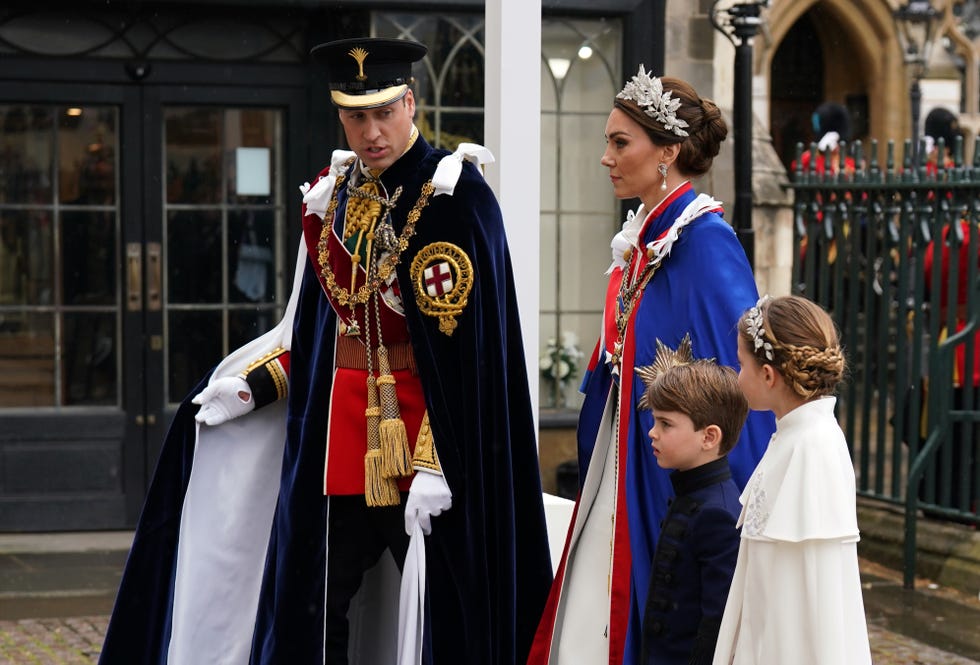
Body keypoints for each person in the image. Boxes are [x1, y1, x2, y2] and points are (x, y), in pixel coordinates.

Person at [99, 37, 553, 665]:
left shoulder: (457, 199)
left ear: (411, 102)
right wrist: (253, 388)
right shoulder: (334, 198)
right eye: (355, 116)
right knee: (313, 608)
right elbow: (316, 334)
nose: (371, 132)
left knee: (447, 608)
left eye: (384, 112)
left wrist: (436, 461)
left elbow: (472, 363)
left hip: (430, 447)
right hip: (340, 445)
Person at [527, 67, 774, 665]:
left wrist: (734, 505)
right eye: (608, 141)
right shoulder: (644, 237)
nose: (607, 157)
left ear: (667, 152)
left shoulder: (704, 240)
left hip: (667, 480)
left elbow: (741, 383)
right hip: (626, 465)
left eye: (620, 143)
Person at [713, 295, 872, 665]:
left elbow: (817, 594)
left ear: (768, 376)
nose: (737, 376)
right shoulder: (792, 437)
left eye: (741, 365)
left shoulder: (812, 448)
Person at [637, 336, 748, 665]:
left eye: (665, 424)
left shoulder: (719, 514)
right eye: (655, 421)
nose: (652, 433)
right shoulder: (690, 495)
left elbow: (715, 628)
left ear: (709, 436)